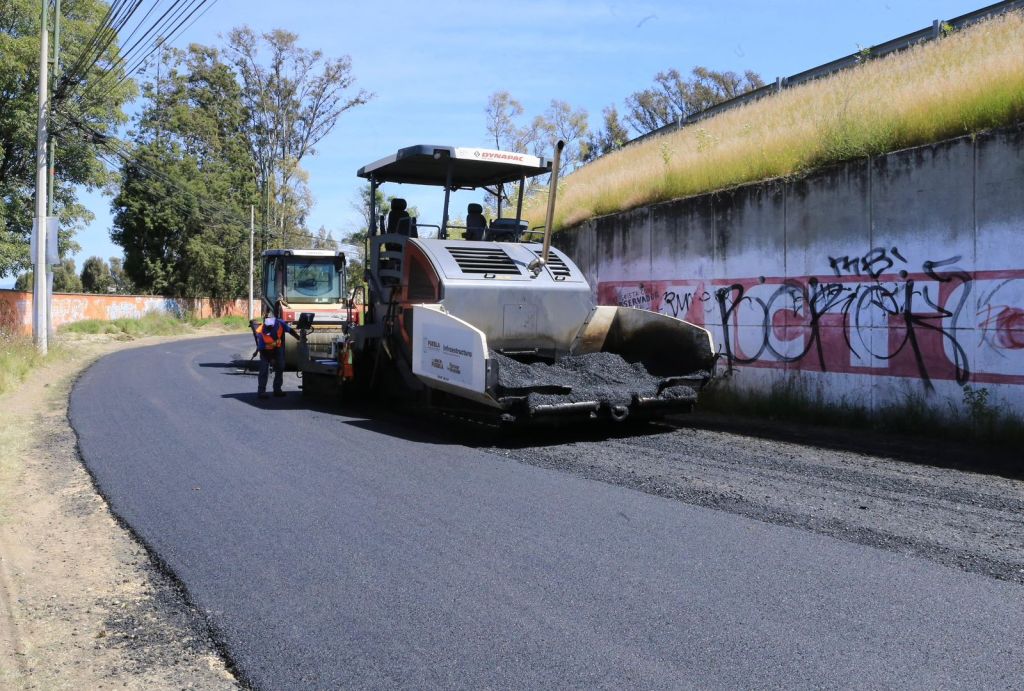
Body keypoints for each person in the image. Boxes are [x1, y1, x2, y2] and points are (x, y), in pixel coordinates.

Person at [253, 316, 300, 398]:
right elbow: (262, 349)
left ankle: (277, 390)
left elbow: (290, 330)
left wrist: (299, 338)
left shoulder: (280, 323)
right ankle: (261, 392)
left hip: (278, 348)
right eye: (268, 329)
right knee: (264, 370)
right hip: (265, 352)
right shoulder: (261, 332)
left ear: (275, 324)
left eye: (271, 328)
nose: (269, 330)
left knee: (280, 367)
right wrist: (271, 359)